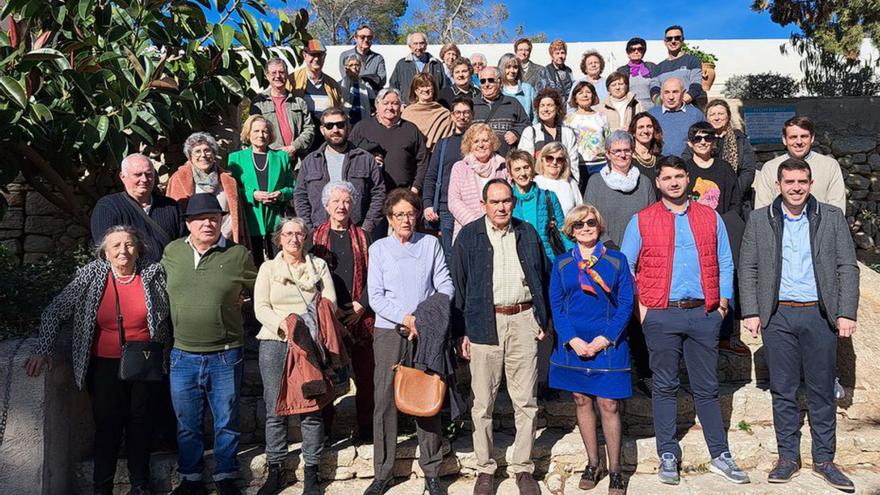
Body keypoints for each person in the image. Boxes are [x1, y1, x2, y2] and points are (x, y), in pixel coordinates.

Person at [620, 156, 749, 486]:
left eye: (679, 176)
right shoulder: (642, 220)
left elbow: (725, 261)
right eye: (667, 177)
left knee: (706, 387)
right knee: (664, 386)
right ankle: (667, 453)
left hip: (703, 313)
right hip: (661, 313)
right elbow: (627, 268)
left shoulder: (709, 217)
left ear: (688, 179)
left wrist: (722, 304)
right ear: (658, 182)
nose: (674, 182)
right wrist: (643, 311)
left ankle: (720, 454)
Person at [739, 158, 859, 492]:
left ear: (810, 183)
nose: (796, 188)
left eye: (802, 182)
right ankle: (787, 458)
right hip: (778, 316)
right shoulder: (761, 219)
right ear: (778, 184)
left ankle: (824, 460)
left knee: (822, 389)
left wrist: (845, 312)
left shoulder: (831, 218)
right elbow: (748, 268)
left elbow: (847, 266)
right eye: (789, 182)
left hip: (819, 315)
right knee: (784, 389)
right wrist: (751, 310)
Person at [25, 226, 169, 495]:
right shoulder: (91, 275)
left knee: (141, 422)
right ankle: (102, 488)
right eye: (115, 246)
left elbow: (171, 314)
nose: (123, 250)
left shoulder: (153, 273)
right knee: (108, 425)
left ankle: (140, 485)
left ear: (139, 249)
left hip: (145, 360)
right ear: (105, 252)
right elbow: (54, 312)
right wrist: (43, 349)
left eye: (129, 244)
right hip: (104, 363)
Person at [451, 179, 548, 495]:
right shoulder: (469, 236)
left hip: (522, 319)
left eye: (506, 201)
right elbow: (459, 287)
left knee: (526, 400)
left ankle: (522, 467)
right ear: (483, 205)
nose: (502, 207)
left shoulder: (527, 233)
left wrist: (541, 317)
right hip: (483, 322)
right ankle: (485, 468)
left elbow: (542, 276)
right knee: (483, 402)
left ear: (513, 203)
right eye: (495, 202)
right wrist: (461, 331)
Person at [161, 193, 258, 495]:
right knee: (187, 422)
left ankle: (226, 475)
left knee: (226, 419)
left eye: (215, 218)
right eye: (201, 218)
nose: (209, 223)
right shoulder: (172, 253)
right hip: (183, 354)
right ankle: (191, 479)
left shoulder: (238, 254)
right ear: (188, 223)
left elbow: (261, 289)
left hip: (226, 353)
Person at [364, 188, 454, 495]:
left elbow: (445, 285)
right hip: (390, 332)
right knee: (385, 401)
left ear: (418, 215)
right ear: (389, 218)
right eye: (399, 214)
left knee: (426, 401)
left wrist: (424, 316)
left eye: (410, 213)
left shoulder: (430, 244)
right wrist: (405, 318)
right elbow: (375, 296)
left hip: (426, 330)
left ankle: (431, 471)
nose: (406, 219)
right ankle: (383, 472)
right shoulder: (378, 249)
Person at [549, 205, 633, 495]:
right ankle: (593, 462)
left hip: (609, 341)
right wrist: (571, 339)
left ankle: (616, 470)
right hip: (574, 342)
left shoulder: (617, 261)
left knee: (609, 404)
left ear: (600, 225)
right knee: (581, 400)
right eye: (580, 224)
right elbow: (557, 307)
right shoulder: (561, 264)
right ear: (571, 230)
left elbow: (625, 305)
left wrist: (605, 338)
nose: (586, 228)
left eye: (591, 222)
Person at [253, 217, 337, 495]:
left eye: (299, 234)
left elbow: (330, 306)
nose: (293, 239)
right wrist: (286, 326)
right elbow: (260, 307)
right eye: (288, 234)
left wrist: (305, 328)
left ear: (306, 238)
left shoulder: (319, 266)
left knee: (311, 407)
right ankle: (275, 468)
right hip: (275, 342)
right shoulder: (268, 268)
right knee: (275, 406)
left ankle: (311, 471)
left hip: (310, 346)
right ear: (279, 238)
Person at [311, 181, 376, 443]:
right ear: (326, 205)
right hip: (329, 317)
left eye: (347, 201)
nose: (341, 206)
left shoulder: (363, 236)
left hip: (361, 316)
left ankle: (367, 431)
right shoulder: (315, 238)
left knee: (366, 377)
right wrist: (331, 311)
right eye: (336, 201)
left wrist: (362, 304)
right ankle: (326, 431)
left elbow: (377, 274)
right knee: (327, 376)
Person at [294, 108, 385, 234]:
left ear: (348, 127)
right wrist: (310, 230)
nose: (335, 130)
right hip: (319, 233)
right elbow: (300, 197)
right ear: (322, 130)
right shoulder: (310, 162)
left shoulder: (365, 159)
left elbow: (378, 194)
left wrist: (366, 228)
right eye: (329, 126)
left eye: (340, 125)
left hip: (357, 231)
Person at [91, 153, 183, 263]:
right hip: (132, 276)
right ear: (122, 177)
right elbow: (106, 250)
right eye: (138, 175)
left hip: (169, 274)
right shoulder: (108, 208)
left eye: (149, 174)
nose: (144, 179)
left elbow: (183, 244)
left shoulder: (171, 207)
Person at [228, 115, 294, 265]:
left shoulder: (282, 157)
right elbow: (232, 190)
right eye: (256, 131)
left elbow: (293, 187)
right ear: (248, 134)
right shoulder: (236, 158)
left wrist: (282, 194)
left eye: (265, 131)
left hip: (276, 220)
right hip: (250, 219)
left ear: (270, 134)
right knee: (252, 265)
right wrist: (252, 195)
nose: (260, 135)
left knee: (282, 264)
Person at [166, 132, 247, 244]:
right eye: (197, 151)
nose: (203, 155)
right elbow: (174, 217)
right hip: (192, 242)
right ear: (190, 156)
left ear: (214, 154)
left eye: (207, 150)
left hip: (226, 239)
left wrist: (223, 235)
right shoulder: (179, 179)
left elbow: (236, 216)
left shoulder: (228, 180)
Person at [753, 115, 846, 212]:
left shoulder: (829, 166)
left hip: (822, 226)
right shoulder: (770, 168)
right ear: (784, 140)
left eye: (804, 136)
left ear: (812, 138)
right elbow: (762, 209)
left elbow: (837, 208)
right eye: (793, 137)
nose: (799, 142)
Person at [422, 97, 474, 259]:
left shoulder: (478, 143)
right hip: (447, 208)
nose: (462, 116)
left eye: (466, 112)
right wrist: (428, 204)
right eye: (458, 112)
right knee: (449, 254)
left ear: (472, 115)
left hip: (472, 205)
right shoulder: (443, 144)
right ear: (452, 115)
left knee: (471, 251)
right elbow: (431, 175)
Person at [350, 88, 428, 194]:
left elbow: (423, 161)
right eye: (385, 103)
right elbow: (348, 155)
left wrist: (415, 188)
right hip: (369, 194)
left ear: (400, 107)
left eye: (395, 103)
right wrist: (366, 158)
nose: (390, 107)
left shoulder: (411, 129)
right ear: (377, 106)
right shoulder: (362, 128)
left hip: (403, 194)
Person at [585, 131, 655, 248]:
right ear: (608, 154)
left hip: (640, 249)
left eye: (627, 150)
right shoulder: (596, 182)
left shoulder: (644, 182)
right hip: (605, 249)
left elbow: (653, 219)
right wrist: (607, 244)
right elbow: (589, 218)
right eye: (616, 151)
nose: (622, 155)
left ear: (632, 152)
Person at [508, 149, 574, 261]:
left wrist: (571, 255)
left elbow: (562, 229)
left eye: (526, 167)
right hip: (519, 260)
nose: (523, 173)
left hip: (547, 259)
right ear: (510, 173)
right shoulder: (507, 200)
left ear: (532, 169)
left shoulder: (549, 196)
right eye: (517, 169)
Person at [448, 123, 510, 241]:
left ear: (492, 143)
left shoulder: (503, 167)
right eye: (476, 141)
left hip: (499, 231)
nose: (481, 145)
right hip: (468, 231)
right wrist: (478, 225)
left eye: (485, 140)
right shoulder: (460, 167)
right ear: (469, 145)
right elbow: (453, 201)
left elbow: (510, 198)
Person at [249, 58, 316, 162]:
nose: (277, 76)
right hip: (270, 160)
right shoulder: (258, 103)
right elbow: (252, 131)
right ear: (267, 76)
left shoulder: (299, 102)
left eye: (281, 72)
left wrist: (294, 147)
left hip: (297, 160)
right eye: (273, 73)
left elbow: (309, 129)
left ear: (287, 74)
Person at [701, 99, 757, 212]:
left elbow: (748, 170)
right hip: (705, 199)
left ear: (728, 116)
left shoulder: (740, 140)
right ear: (707, 118)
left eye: (721, 114)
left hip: (735, 199)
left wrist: (733, 193)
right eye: (712, 114)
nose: (716, 118)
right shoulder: (699, 140)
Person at [291, 40, 344, 153]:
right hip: (300, 144)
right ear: (304, 56)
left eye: (319, 55)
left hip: (326, 144)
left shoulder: (333, 86)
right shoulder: (292, 81)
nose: (316, 59)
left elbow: (339, 111)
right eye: (312, 55)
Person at [517, 88, 580, 182]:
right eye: (542, 105)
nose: (545, 109)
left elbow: (573, 162)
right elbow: (526, 162)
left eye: (549, 105)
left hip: (563, 182)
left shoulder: (567, 133)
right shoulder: (531, 132)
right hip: (539, 184)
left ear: (557, 108)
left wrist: (572, 182)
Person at [684, 122, 742, 217]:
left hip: (720, 225)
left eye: (708, 138)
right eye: (697, 139)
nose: (703, 142)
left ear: (713, 142)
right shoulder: (684, 169)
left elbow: (735, 201)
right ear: (690, 143)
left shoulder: (724, 168)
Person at [472, 66, 531, 155]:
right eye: (483, 81)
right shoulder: (472, 104)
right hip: (479, 162)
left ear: (499, 82)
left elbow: (526, 123)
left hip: (505, 160)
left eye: (490, 80)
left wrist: (516, 133)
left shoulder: (512, 103)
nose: (486, 84)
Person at [564, 81, 610, 192]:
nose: (585, 95)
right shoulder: (568, 119)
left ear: (593, 96)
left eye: (588, 92)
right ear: (575, 97)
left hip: (600, 165)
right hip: (577, 166)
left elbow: (609, 140)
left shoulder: (601, 116)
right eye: (580, 93)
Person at [647, 77, 704, 157]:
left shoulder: (696, 114)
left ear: (683, 93)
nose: (671, 97)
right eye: (667, 92)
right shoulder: (651, 114)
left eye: (675, 92)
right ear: (661, 94)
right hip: (658, 164)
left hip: (687, 165)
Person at [649, 25, 704, 107]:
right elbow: (654, 91)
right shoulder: (658, 68)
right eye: (669, 38)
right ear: (665, 42)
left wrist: (678, 104)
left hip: (687, 110)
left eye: (677, 38)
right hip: (664, 113)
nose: (673, 41)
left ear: (683, 40)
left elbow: (696, 87)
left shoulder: (693, 61)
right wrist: (663, 103)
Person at [401, 73, 455, 151]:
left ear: (434, 89)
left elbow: (448, 140)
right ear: (416, 91)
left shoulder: (444, 114)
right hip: (412, 157)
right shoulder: (407, 113)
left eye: (428, 86)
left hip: (436, 156)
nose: (425, 89)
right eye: (422, 86)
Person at [389, 32, 446, 105]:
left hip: (432, 109)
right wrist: (400, 104)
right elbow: (393, 87)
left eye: (421, 43)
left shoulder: (436, 64)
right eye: (415, 44)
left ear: (426, 45)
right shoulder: (402, 64)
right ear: (410, 46)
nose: (418, 47)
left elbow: (443, 87)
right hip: (408, 108)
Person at [534, 143, 583, 214]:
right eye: (549, 158)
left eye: (559, 159)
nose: (554, 162)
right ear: (542, 160)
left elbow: (580, 211)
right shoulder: (535, 182)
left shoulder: (570, 182)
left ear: (564, 163)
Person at [337, 25, 387, 93]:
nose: (366, 40)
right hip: (352, 96)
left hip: (373, 98)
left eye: (369, 37)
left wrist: (359, 77)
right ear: (355, 38)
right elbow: (347, 78)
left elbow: (382, 80)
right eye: (362, 37)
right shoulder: (345, 55)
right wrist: (371, 78)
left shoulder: (378, 58)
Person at [616, 37, 657, 110]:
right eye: (632, 49)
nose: (636, 51)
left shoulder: (651, 67)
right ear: (628, 53)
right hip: (631, 109)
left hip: (652, 109)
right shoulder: (621, 71)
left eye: (639, 49)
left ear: (643, 52)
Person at [498, 53, 537, 123]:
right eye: (508, 67)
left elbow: (535, 115)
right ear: (502, 68)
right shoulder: (498, 90)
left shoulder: (527, 89)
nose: (512, 71)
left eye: (515, 67)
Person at [339, 54, 376, 126]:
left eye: (357, 65)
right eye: (351, 65)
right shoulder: (339, 85)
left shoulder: (366, 85)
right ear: (346, 68)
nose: (354, 67)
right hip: (346, 123)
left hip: (363, 122)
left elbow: (374, 102)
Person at [629, 112, 664, 181]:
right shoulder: (627, 159)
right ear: (633, 132)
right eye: (641, 127)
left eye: (649, 126)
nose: (645, 131)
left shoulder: (661, 160)